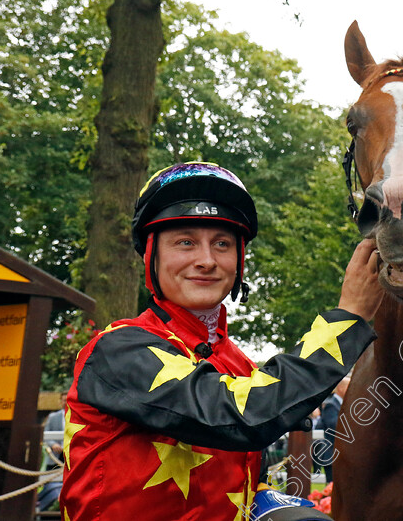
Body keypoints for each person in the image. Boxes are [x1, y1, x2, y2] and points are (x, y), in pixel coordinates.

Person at [60, 162, 383, 520]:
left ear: (239, 261)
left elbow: (232, 476)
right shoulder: (116, 349)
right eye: (185, 242)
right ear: (151, 255)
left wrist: (265, 500)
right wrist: (347, 319)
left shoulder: (240, 364)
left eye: (223, 244)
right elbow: (242, 415)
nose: (207, 260)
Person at [36, 391, 67, 512]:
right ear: (60, 401)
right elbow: (45, 433)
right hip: (55, 456)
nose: (65, 402)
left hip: (70, 456)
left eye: (67, 399)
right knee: (49, 482)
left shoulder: (77, 416)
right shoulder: (53, 417)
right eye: (63, 400)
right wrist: (53, 444)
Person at [318, 376, 349, 483]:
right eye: (348, 387)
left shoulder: (344, 405)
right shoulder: (331, 405)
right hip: (332, 456)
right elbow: (335, 427)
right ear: (340, 388)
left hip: (341, 456)